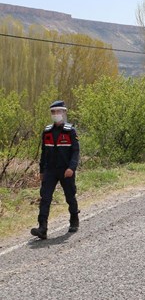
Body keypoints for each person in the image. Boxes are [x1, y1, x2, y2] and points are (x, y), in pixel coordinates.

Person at [30, 101, 80, 239]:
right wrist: (41, 171)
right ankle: (42, 228)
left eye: (58, 112)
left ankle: (74, 220)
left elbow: (76, 152)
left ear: (64, 112)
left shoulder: (70, 131)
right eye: (53, 112)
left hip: (66, 170)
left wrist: (71, 168)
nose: (56, 114)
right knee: (45, 198)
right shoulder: (47, 132)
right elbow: (43, 153)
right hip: (50, 171)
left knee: (70, 196)